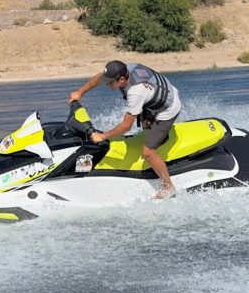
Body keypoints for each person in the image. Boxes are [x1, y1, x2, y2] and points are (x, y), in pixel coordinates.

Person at [68, 60, 182, 199]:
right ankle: (155, 135)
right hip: (154, 97)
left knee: (148, 153)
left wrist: (102, 136)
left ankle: (169, 187)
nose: (108, 85)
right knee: (146, 125)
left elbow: (126, 126)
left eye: (110, 83)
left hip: (167, 109)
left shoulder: (136, 92)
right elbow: (99, 78)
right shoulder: (125, 69)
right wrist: (80, 93)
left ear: (122, 79)